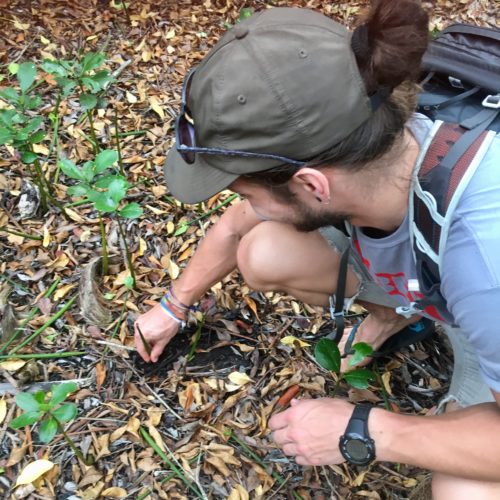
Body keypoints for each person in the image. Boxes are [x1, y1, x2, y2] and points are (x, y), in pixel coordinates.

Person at [134, 1, 500, 498]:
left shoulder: (484, 259)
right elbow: (239, 227)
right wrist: (174, 305)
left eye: (246, 191)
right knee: (266, 253)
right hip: (455, 282)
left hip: (482, 306)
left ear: (312, 185)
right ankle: (397, 314)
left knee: (464, 488)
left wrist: (365, 431)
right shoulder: (378, 128)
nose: (245, 205)